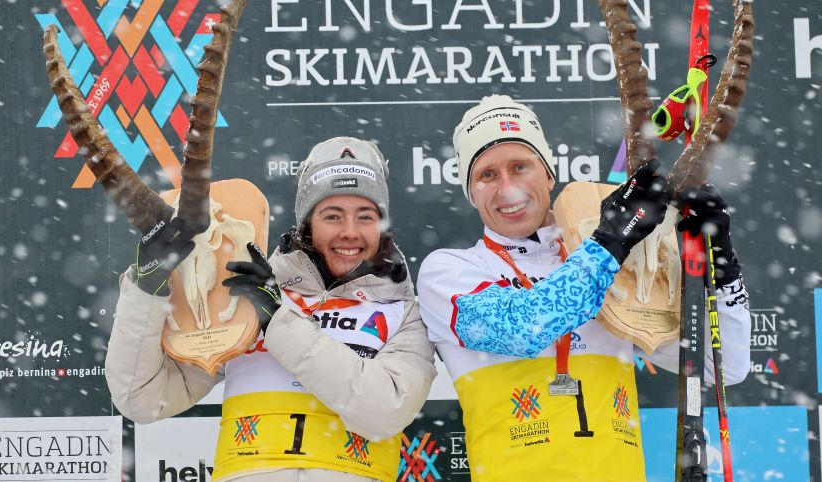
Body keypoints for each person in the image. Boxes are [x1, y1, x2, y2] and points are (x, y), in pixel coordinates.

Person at [416, 95, 751, 481]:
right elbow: (525, 327)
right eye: (487, 175)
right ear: (471, 192)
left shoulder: (610, 261)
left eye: (520, 167)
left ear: (548, 174)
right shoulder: (450, 270)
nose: (507, 188)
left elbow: (720, 368)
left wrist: (722, 267)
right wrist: (613, 240)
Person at [106, 137, 437, 482]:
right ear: (308, 223)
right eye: (332, 216)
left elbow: (384, 411)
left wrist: (278, 321)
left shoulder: (405, 312)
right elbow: (142, 399)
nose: (350, 232)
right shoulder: (242, 294)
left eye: (365, 216)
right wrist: (146, 288)